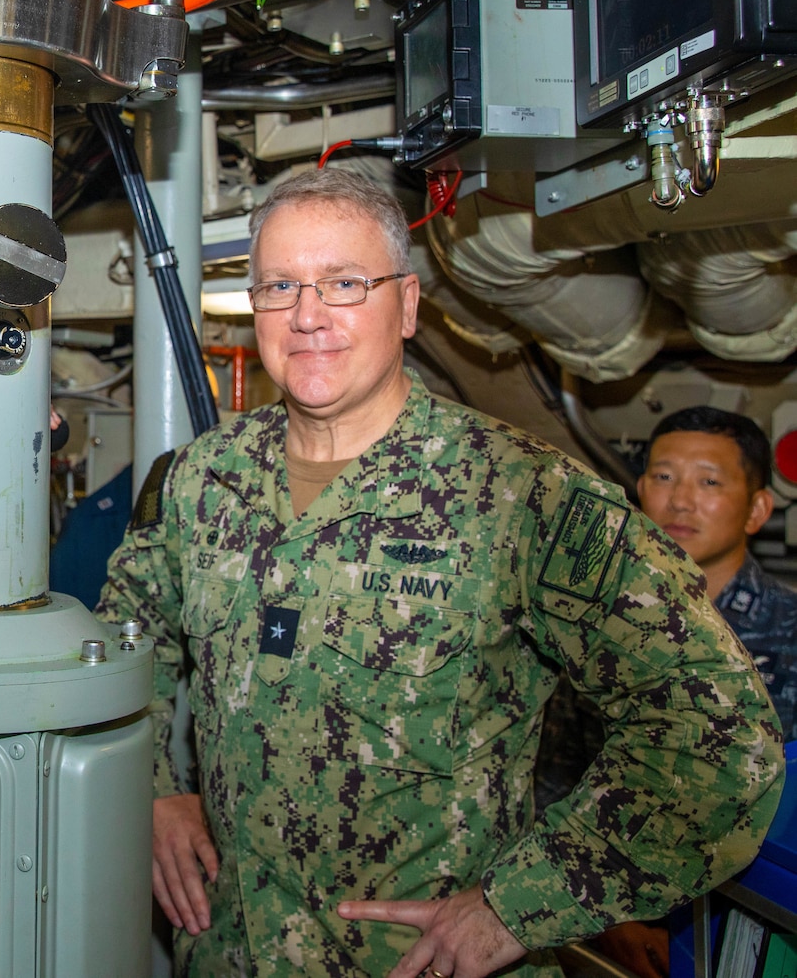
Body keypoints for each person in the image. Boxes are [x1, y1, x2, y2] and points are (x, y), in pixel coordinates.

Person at [96, 168, 784, 978]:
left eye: (344, 283)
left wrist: (517, 906)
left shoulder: (524, 495)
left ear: (408, 304)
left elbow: (716, 732)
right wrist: (151, 789)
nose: (308, 314)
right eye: (280, 285)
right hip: (233, 952)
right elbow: (119, 641)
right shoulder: (199, 481)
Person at [639, 406, 797, 739]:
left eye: (709, 481)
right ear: (640, 491)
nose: (680, 501)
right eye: (664, 477)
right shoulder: (602, 614)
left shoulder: (789, 627)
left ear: (756, 510)